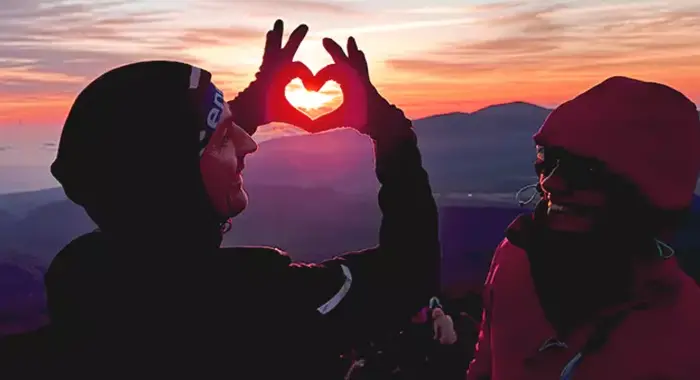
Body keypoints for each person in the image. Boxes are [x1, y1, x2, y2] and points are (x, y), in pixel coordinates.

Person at [13, 20, 441, 379]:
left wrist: (247, 105)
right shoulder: (260, 306)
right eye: (223, 139)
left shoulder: (83, 277)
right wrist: (391, 132)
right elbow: (409, 271)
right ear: (172, 182)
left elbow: (165, 150)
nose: (249, 145)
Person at [467, 76, 700, 380]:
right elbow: (485, 364)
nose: (551, 182)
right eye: (548, 159)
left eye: (586, 169)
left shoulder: (685, 328)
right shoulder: (514, 257)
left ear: (651, 190)